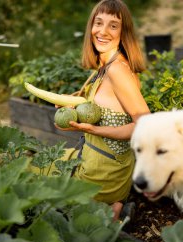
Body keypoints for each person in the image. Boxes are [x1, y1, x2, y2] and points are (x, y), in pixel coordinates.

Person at [56, 0, 150, 221]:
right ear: (91, 26)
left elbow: (145, 125)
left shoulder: (117, 70)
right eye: (99, 23)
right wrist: (72, 104)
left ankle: (109, 210)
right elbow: (106, 106)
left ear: (123, 32)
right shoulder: (105, 64)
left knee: (41, 185)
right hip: (96, 160)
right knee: (42, 165)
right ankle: (113, 208)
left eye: (113, 25)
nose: (103, 31)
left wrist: (94, 130)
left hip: (104, 172)